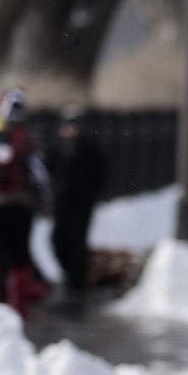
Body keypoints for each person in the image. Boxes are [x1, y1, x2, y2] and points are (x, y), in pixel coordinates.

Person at [0, 88, 51, 316]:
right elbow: (40, 174)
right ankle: (17, 311)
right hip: (20, 206)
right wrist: (45, 201)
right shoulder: (26, 138)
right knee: (19, 259)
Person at [47, 105, 107, 295]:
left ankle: (77, 281)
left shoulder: (89, 150)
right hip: (62, 203)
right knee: (58, 240)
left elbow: (100, 174)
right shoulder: (56, 150)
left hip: (82, 203)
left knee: (77, 240)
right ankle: (70, 274)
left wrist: (90, 194)